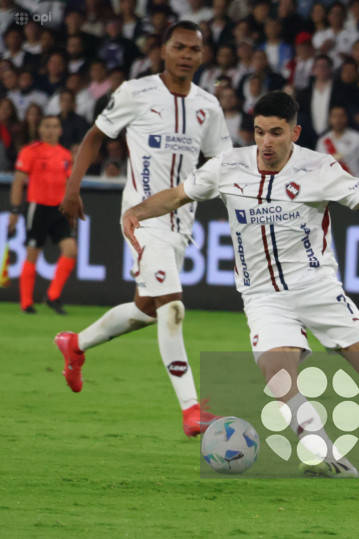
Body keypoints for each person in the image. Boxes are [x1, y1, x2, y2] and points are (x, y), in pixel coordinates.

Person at [121, 91, 359, 478]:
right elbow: (180, 195)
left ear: (295, 133)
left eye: (276, 133)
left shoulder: (319, 168)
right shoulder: (228, 166)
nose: (266, 142)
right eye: (260, 132)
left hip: (317, 288)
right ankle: (325, 454)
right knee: (277, 374)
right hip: (262, 295)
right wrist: (137, 210)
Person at [55, 22, 233, 437]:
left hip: (181, 223)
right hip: (141, 221)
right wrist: (73, 188)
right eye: (179, 47)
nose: (186, 55)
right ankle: (192, 409)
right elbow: (95, 136)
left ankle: (75, 345)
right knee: (173, 307)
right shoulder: (136, 93)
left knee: (146, 310)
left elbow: (224, 164)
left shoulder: (209, 106)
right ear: (163, 51)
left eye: (193, 49)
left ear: (202, 56)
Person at [7, 116, 75, 315]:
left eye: (55, 127)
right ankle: (26, 302)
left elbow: (69, 183)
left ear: (60, 130)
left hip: (60, 209)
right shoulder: (30, 152)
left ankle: (53, 296)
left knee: (71, 250)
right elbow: (18, 182)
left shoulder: (65, 155)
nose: (51, 131)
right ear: (40, 130)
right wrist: (14, 209)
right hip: (38, 208)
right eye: (47, 126)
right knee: (33, 253)